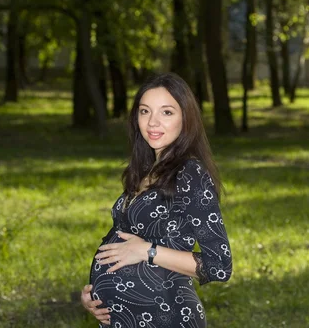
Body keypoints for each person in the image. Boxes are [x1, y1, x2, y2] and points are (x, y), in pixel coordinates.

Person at [80, 72, 232, 328]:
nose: (153, 122)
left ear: (186, 118)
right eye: (144, 111)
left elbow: (219, 265)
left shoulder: (190, 174)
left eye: (167, 112)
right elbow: (123, 244)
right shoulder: (146, 170)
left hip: (168, 316)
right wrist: (95, 295)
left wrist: (147, 251)